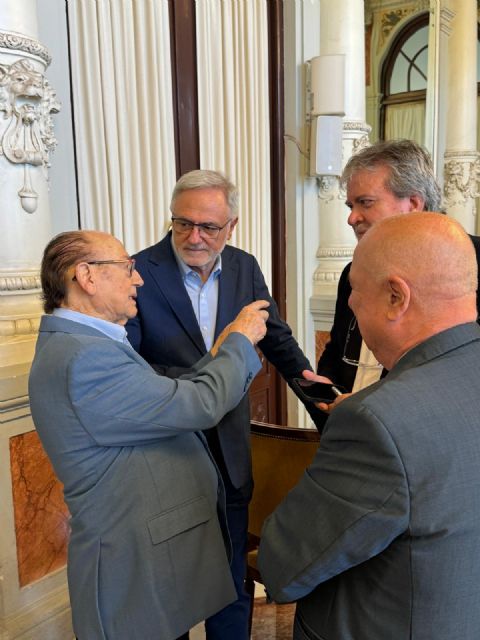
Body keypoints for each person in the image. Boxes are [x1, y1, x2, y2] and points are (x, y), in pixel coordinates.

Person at [28, 229, 270, 640]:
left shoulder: (89, 344)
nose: (137, 279)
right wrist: (241, 343)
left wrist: (218, 352)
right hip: (130, 564)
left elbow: (164, 400)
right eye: (127, 268)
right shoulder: (84, 357)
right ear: (86, 276)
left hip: (148, 554)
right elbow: (199, 405)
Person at [258, 212, 480, 640]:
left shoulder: (376, 423)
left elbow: (284, 566)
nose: (352, 306)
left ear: (396, 297)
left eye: (354, 291)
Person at [125, 169, 314, 640]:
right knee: (167, 582)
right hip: (166, 455)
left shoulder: (245, 266)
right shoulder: (136, 272)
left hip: (229, 452)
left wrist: (317, 396)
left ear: (232, 226)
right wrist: (212, 368)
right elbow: (130, 371)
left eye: (208, 227)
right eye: (182, 223)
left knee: (231, 580)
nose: (193, 237)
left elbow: (275, 336)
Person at [310, 139, 480, 427]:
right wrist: (329, 395)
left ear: (413, 203)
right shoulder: (354, 273)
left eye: (365, 202)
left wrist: (371, 406)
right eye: (350, 205)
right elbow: (337, 349)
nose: (352, 218)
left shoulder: (473, 263)